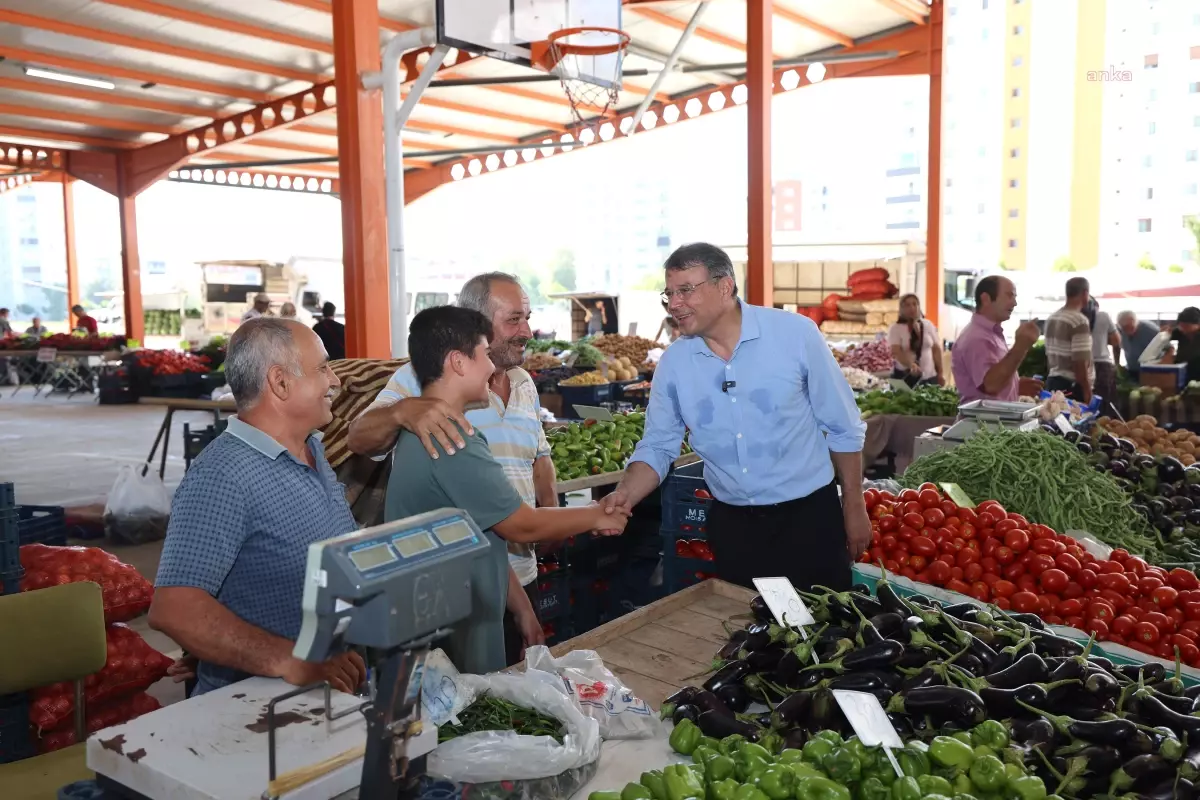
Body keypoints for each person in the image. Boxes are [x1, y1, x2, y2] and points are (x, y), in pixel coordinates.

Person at [602, 243, 868, 592]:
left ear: (724, 286)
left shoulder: (795, 336)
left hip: (809, 519)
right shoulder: (675, 364)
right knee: (753, 636)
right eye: (669, 293)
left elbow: (842, 427)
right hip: (734, 527)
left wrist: (853, 503)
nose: (675, 303)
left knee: (826, 631)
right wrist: (624, 495)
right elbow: (658, 446)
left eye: (686, 290)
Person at [383, 305, 629, 674]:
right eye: (484, 354)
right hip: (449, 633)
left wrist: (522, 608)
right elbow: (520, 525)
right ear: (458, 362)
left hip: (455, 613)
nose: (490, 367)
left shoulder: (433, 430)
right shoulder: (453, 441)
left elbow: (484, 532)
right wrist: (598, 513)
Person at [347, 273, 559, 665]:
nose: (527, 331)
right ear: (475, 322)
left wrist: (550, 508)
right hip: (454, 589)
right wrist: (400, 411)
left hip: (513, 578)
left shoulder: (524, 382)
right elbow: (358, 437)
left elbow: (538, 454)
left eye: (527, 318)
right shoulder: (420, 378)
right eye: (514, 319)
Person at [148, 317, 366, 697]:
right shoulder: (223, 476)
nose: (335, 380)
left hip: (323, 693)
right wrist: (291, 659)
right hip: (257, 712)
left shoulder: (312, 448)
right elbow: (176, 609)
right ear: (280, 382)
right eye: (323, 368)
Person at [951, 276, 1043, 403]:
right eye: (1009, 296)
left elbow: (994, 378)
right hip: (984, 421)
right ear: (986, 299)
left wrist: (1015, 385)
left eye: (1015, 297)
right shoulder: (976, 338)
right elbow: (991, 385)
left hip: (995, 419)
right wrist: (1020, 347)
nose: (1014, 303)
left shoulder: (991, 333)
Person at [1044, 277, 1094, 402]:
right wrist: (1087, 391)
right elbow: (1080, 362)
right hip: (1072, 387)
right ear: (1085, 294)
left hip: (1053, 382)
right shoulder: (1079, 321)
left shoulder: (1053, 318)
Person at [888, 294, 944, 387]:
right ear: (901, 308)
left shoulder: (928, 325)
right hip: (907, 376)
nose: (912, 308)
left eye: (915, 304)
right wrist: (911, 365)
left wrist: (940, 373)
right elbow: (896, 352)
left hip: (929, 377)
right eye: (907, 305)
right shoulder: (896, 328)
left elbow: (936, 350)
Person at [1087, 299, 1120, 417]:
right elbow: (1116, 341)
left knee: (1086, 404)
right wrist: (1117, 363)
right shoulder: (1103, 315)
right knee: (1106, 405)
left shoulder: (1072, 317)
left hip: (1080, 364)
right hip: (1102, 364)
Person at [1118, 311, 1161, 379]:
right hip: (1131, 369)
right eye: (1125, 328)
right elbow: (1116, 346)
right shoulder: (1119, 331)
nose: (1128, 331)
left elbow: (1168, 349)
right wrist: (1117, 364)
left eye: (1131, 327)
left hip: (1150, 371)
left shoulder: (1150, 330)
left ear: (1135, 322)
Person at [1167, 307, 1200, 383]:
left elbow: (1190, 354)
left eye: (1186, 326)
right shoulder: (1178, 332)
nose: (1183, 329)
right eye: (1181, 326)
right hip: (1183, 373)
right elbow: (1164, 341)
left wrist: (1172, 358)